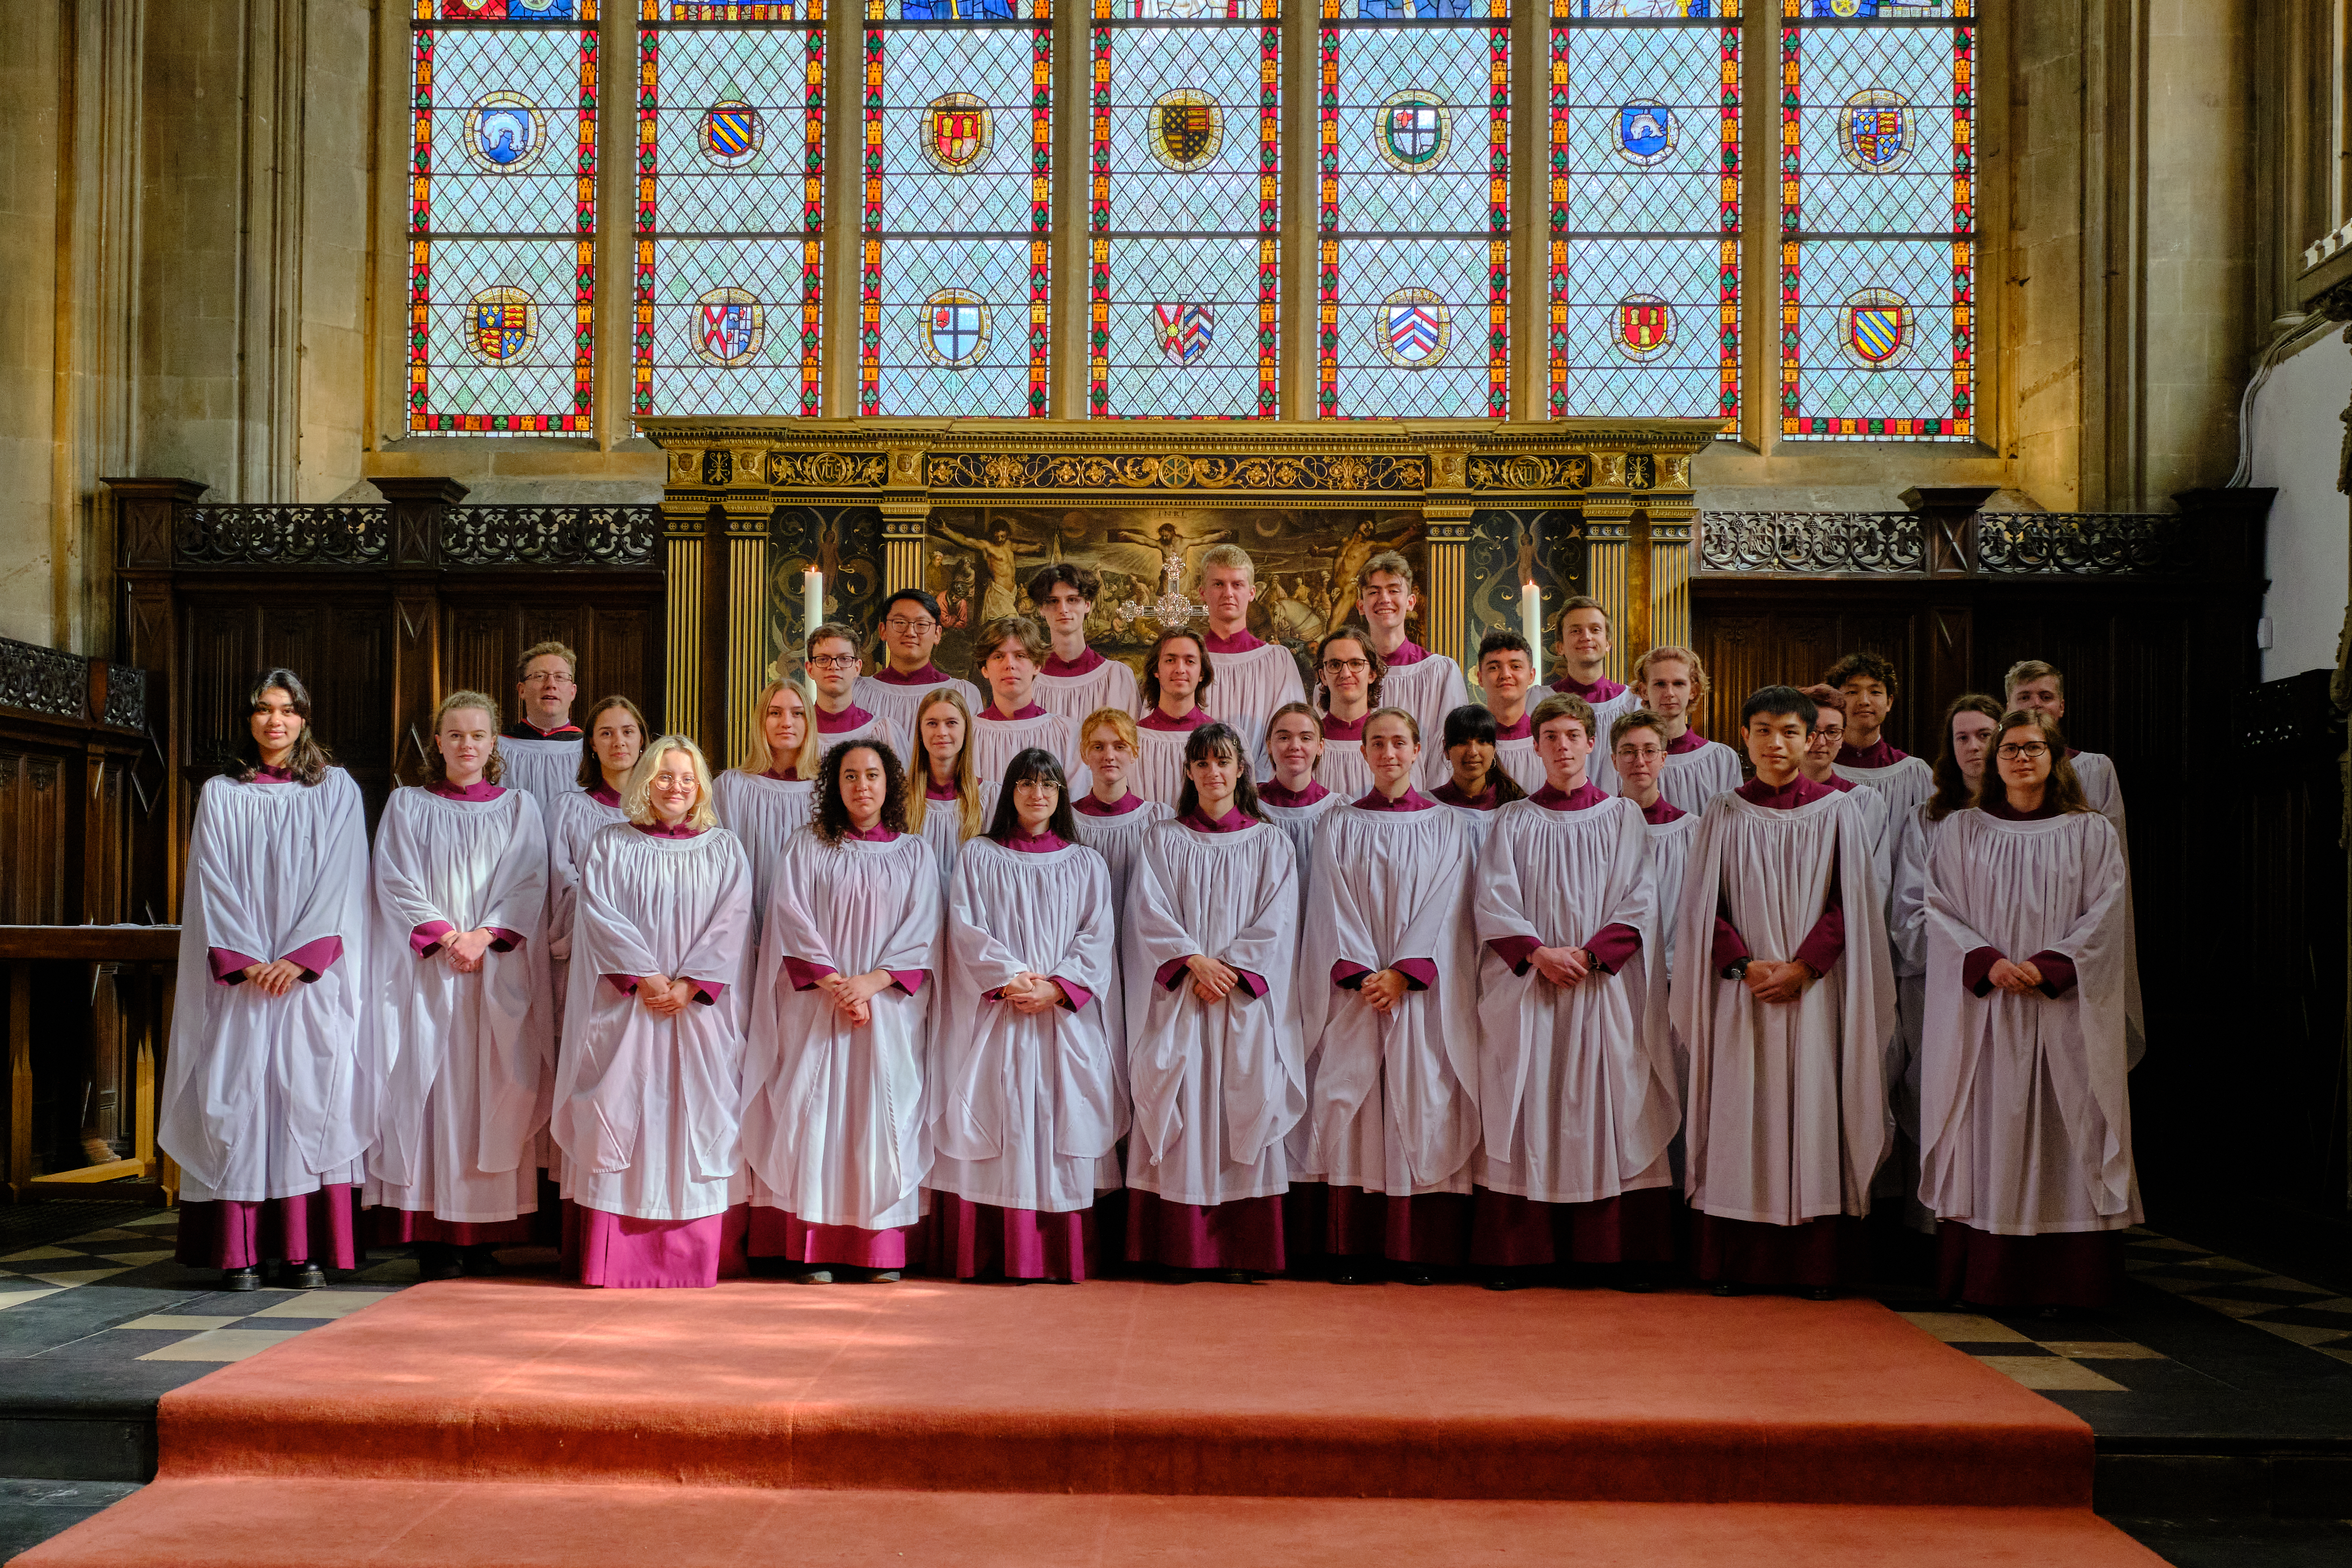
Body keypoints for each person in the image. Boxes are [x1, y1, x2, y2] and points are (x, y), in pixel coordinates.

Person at [1672, 686, 1894, 1298]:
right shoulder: (1723, 810)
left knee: (1811, 1108)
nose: (1777, 743)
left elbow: (1851, 903)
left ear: (1812, 739)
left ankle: (1812, 1262)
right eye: (1763, 730)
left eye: (1790, 732)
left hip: (1811, 992)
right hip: (1741, 991)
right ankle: (1732, 1260)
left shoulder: (1836, 811)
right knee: (1737, 1110)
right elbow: (1701, 905)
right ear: (1745, 737)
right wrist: (1742, 965)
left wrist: (1804, 967)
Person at [1922, 708, 2138, 1311]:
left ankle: (2070, 1282)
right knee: (1988, 1126)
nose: (2020, 757)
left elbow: (2105, 913)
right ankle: (1987, 1275)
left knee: (2070, 1127)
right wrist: (1986, 959)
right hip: (1987, 1011)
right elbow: (1936, 907)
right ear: (1993, 762)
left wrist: (2051, 964)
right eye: (2008, 748)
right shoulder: (1961, 829)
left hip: (2061, 1010)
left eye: (2032, 747)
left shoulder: (2090, 832)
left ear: (2055, 756)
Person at [165, 670, 371, 1291]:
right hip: (246, 981)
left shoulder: (336, 790)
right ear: (249, 718)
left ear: (305, 719)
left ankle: (305, 1251)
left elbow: (344, 876)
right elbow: (211, 881)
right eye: (262, 709)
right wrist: (249, 957)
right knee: (242, 1098)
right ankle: (243, 1251)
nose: (274, 721)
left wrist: (301, 956)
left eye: (286, 710)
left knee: (309, 1096)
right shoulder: (223, 793)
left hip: (310, 981)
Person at [1470, 694, 1676, 1287]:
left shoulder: (1620, 817)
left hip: (1598, 989)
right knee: (1529, 1098)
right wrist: (1537, 953)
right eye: (1550, 736)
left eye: (1572, 735)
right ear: (1533, 747)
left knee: (1605, 1103)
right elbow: (1492, 901)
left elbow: (1641, 900)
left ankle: (1604, 1251)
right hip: (1532, 989)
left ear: (1591, 743)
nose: (1562, 746)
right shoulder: (1512, 820)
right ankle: (1520, 1251)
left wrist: (1587, 956)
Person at [555, 736, 755, 1288]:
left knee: (699, 1117)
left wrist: (689, 985)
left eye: (687, 779)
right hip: (629, 1008)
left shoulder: (723, 848)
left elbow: (733, 921)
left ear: (701, 787)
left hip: (697, 1015)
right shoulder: (610, 844)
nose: (675, 787)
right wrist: (646, 977)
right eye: (665, 776)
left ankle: (696, 1255)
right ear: (645, 779)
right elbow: (600, 916)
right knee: (623, 1110)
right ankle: (616, 1257)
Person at [364, 691, 552, 1280]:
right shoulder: (407, 804)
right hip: (430, 974)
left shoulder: (519, 807)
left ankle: (483, 1229)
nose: (467, 744)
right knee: (430, 1088)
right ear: (437, 741)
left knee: (497, 1088)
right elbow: (392, 878)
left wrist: (484, 936)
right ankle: (432, 1231)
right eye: (455, 734)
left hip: (494, 971)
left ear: (494, 743)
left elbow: (529, 879)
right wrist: (448, 936)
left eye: (477, 734)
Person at [745, 739, 942, 1283]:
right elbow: (790, 916)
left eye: (873, 775)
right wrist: (836, 984)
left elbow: (923, 931)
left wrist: (871, 984)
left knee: (883, 1118)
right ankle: (817, 1247)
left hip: (887, 1014)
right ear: (834, 785)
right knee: (818, 1116)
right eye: (850, 775)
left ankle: (877, 1248)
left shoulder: (913, 852)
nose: (862, 786)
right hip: (818, 1008)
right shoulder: (806, 846)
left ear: (890, 784)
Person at [1300, 708, 1480, 1283]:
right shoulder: (1339, 823)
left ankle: (1417, 1248)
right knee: (1355, 1108)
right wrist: (1365, 973)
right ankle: (1354, 1246)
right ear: (1363, 752)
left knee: (1419, 1098)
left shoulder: (1447, 824)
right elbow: (1329, 903)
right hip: (1357, 993)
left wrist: (1404, 972)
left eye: (1399, 742)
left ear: (1419, 749)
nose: (1388, 752)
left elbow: (1450, 908)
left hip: (1419, 994)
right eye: (1376, 742)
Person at [1122, 723, 1305, 1278]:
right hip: (1182, 997)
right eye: (1202, 763)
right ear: (1188, 771)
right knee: (1179, 1103)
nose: (1213, 772)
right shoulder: (1162, 838)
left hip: (1241, 1002)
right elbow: (1146, 915)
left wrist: (1227, 968)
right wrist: (1191, 961)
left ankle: (1239, 1250)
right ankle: (1179, 1250)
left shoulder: (1270, 841)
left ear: (1241, 769)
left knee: (1242, 1104)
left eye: (1223, 761)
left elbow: (1279, 921)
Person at [931, 748, 1119, 1282]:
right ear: (1009, 791)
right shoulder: (979, 855)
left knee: (1061, 1119)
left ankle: (1054, 1253)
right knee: (1000, 1116)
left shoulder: (1086, 862)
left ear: (1061, 795)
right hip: (1003, 1013)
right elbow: (966, 928)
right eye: (1027, 784)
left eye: (1049, 785)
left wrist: (1058, 986)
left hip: (1061, 1019)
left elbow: (1097, 935)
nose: (1037, 794)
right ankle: (994, 1250)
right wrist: (1013, 978)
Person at [1886, 693, 2005, 1233]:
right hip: (1943, 986)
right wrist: (1968, 956)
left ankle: (2005, 1216)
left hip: (2015, 990)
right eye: (1962, 737)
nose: (1974, 747)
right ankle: (1934, 1228)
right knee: (1938, 1097)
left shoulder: (2040, 820)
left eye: (1984, 735)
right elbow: (1909, 908)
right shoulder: (1928, 819)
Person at [2003, 659, 2142, 1065]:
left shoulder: (2093, 769)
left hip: (2076, 922)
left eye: (2045, 697)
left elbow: (2111, 867)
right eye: (2024, 697)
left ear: (2062, 706)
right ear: (2007, 705)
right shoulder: (2000, 769)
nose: (2037, 705)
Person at [1071, 708, 1175, 1218]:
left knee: (1142, 1067)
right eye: (1098, 745)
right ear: (1083, 754)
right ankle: (1098, 1199)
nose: (1109, 755)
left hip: (1144, 964)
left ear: (1136, 752)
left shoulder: (1159, 819)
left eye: (1119, 745)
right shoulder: (1065, 818)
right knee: (1094, 1072)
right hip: (1086, 967)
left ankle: (1143, 1198)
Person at [549, 696, 647, 1032]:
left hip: (655, 959)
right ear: (591, 743)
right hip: (587, 959)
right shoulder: (568, 811)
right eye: (606, 733)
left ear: (642, 740)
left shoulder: (666, 816)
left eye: (627, 731)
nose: (618, 741)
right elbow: (559, 886)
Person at [711, 678, 820, 935]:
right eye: (775, 713)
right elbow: (716, 869)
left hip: (812, 929)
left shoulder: (826, 791)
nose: (786, 722)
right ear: (762, 721)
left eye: (797, 714)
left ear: (809, 723)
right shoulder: (730, 787)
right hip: (741, 927)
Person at [1353, 551, 1469, 791]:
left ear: (1411, 602)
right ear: (1361, 606)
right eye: (1374, 591)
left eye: (1394, 590)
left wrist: (1428, 805)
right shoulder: (1345, 673)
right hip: (1356, 800)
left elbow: (1447, 749)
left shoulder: (1440, 671)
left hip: (1421, 805)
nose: (1384, 598)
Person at [1610, 707, 1696, 987]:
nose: (1639, 761)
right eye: (1628, 751)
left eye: (1649, 751)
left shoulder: (1691, 829)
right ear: (1614, 761)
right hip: (1615, 972)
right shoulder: (1599, 829)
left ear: (1663, 759)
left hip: (1676, 970)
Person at [1132, 627, 1261, 804]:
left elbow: (1244, 805)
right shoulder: (1132, 740)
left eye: (1190, 661)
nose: (1180, 669)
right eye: (1170, 660)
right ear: (1157, 670)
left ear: (1202, 673)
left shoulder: (1227, 739)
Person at [969, 613, 1091, 795]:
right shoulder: (968, 733)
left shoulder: (1066, 733)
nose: (1010, 665)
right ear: (984, 669)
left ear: (1037, 666)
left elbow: (1074, 802)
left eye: (1020, 656)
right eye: (998, 657)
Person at [1196, 544, 1308, 732]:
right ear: (1203, 593)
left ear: (1252, 593)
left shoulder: (1277, 661)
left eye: (1237, 585)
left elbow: (1292, 732)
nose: (1228, 593)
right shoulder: (1187, 662)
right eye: (1218, 584)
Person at [852, 588, 985, 745]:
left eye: (921, 624)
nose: (911, 632)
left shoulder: (963, 694)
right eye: (900, 623)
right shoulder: (857, 693)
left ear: (937, 634)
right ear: (883, 631)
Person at [1798, 698, 1892, 903]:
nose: (1821, 742)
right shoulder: (1772, 802)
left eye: (1833, 732)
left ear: (1843, 738)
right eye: (1811, 731)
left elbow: (1873, 881)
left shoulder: (1863, 802)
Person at [1825, 651, 1934, 823]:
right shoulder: (1817, 768)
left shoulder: (1914, 773)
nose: (1865, 701)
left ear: (1889, 702)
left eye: (1875, 692)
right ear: (1836, 702)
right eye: (1852, 692)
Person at [1635, 645, 1743, 816]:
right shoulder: (1631, 758)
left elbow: (1732, 824)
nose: (1669, 693)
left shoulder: (1720, 759)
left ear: (1693, 691)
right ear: (1644, 691)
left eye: (1678, 684)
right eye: (1660, 684)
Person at [905, 687, 994, 887]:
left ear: (966, 730)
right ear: (920, 731)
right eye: (932, 724)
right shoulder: (900, 796)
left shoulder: (989, 798)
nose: (942, 732)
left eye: (951, 723)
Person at [1028, 563, 1139, 724]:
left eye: (1072, 600)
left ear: (1087, 605)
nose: (1063, 609)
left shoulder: (1116, 678)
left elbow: (1130, 743)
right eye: (1053, 601)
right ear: (1041, 609)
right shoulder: (1028, 679)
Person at [1549, 597, 1640, 791]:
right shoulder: (1540, 700)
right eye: (1576, 631)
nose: (1586, 637)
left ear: (1608, 644)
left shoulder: (1632, 702)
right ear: (1560, 647)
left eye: (1595, 630)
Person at [1257, 701, 1342, 884]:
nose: (1295, 746)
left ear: (1321, 747)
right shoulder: (1250, 808)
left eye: (1306, 738)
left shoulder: (1337, 812)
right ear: (1269, 745)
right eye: (1284, 737)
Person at [1430, 704, 1528, 863]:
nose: (1473, 752)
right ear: (1446, 750)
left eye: (1482, 741)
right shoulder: (1429, 808)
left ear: (1494, 748)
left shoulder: (1514, 811)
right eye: (1462, 742)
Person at [500, 640, 587, 820]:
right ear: (521, 690)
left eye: (561, 677)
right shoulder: (499, 748)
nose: (551, 684)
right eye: (539, 676)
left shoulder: (590, 750)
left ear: (573, 692)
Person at [807, 620, 905, 763]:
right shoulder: (797, 732)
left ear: (857, 668)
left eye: (844, 659)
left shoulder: (881, 732)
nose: (834, 666)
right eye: (823, 659)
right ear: (810, 669)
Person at [1308, 629, 1383, 802]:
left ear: (1372, 674)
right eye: (1335, 665)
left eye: (1356, 664)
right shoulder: (1308, 742)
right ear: (1323, 676)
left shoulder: (1391, 742)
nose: (1346, 673)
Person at [1474, 629, 1547, 796]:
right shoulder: (1468, 742)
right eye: (1494, 667)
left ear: (1531, 676)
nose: (1506, 675)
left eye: (1516, 667)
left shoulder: (1547, 739)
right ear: (1480, 678)